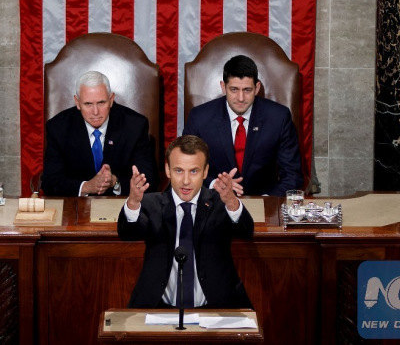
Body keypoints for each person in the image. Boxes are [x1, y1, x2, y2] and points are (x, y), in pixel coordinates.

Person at [118, 135, 253, 309]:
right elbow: (127, 233)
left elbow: (246, 230)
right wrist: (133, 202)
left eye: (194, 171)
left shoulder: (221, 204)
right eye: (179, 170)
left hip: (216, 308)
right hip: (159, 308)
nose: (186, 181)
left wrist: (231, 201)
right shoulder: (150, 204)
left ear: (205, 172)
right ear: (168, 170)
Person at [183, 54, 303, 196]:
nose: (241, 98)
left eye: (247, 90)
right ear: (223, 87)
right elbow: (185, 167)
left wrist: (266, 201)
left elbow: (292, 175)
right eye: (234, 89)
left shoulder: (279, 117)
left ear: (257, 88)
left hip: (263, 199)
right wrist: (212, 183)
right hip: (214, 200)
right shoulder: (199, 117)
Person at [42, 71, 159, 196]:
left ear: (111, 99)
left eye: (101, 103)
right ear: (77, 102)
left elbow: (149, 180)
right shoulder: (58, 127)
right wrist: (86, 187)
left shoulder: (135, 126)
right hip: (75, 206)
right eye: (88, 104)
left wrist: (115, 182)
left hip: (121, 204)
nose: (96, 112)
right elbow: (50, 182)